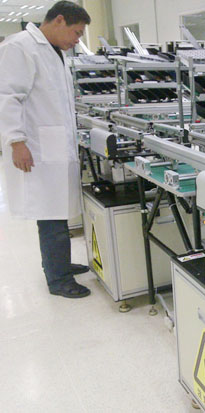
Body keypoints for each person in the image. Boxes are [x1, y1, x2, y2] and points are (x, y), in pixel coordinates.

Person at [0, 2, 92, 298]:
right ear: (59, 20)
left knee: (57, 211)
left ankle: (59, 264)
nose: (77, 40)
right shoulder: (20, 47)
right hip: (36, 148)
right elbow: (7, 97)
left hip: (53, 145)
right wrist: (16, 142)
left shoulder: (54, 51)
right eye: (76, 33)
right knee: (50, 215)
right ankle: (58, 279)